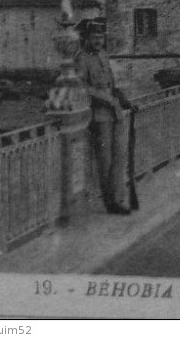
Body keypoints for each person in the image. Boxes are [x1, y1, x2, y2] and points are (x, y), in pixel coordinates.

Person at [76, 23, 134, 215]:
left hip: (115, 113)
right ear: (86, 38)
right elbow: (83, 88)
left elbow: (112, 84)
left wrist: (125, 101)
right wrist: (107, 99)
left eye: (101, 37)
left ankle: (118, 198)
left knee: (119, 157)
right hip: (99, 117)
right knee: (105, 161)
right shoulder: (82, 59)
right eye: (94, 37)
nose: (98, 41)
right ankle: (110, 202)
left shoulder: (103, 56)